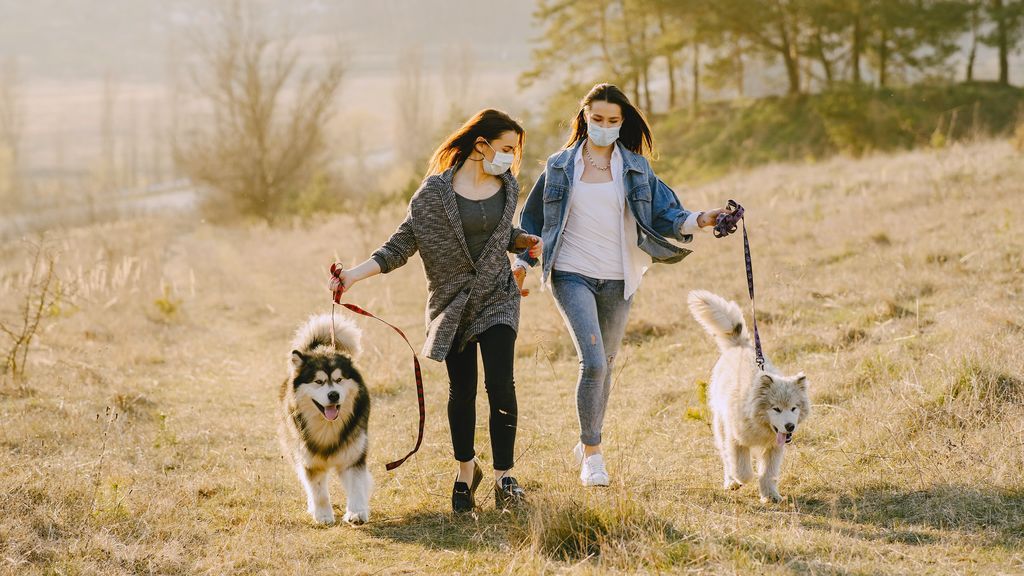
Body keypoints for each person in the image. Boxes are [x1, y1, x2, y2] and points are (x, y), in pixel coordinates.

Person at [513, 83, 726, 487]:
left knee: (605, 366)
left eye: (613, 121)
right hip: (570, 273)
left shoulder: (636, 168)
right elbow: (533, 224)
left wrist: (703, 218)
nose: (605, 127)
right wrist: (522, 263)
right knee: (592, 363)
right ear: (584, 117)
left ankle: (585, 439)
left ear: (622, 122)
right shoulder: (559, 166)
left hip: (619, 276)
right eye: (597, 119)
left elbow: (667, 213)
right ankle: (593, 455)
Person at [331, 109, 541, 512]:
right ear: (480, 145)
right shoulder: (433, 195)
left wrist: (520, 240)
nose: (511, 158)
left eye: (515, 150)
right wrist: (352, 276)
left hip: (498, 296)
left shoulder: (508, 186)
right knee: (461, 392)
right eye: (506, 148)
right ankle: (466, 473)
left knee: (501, 385)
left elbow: (497, 232)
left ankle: (505, 478)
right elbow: (401, 244)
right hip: (452, 305)